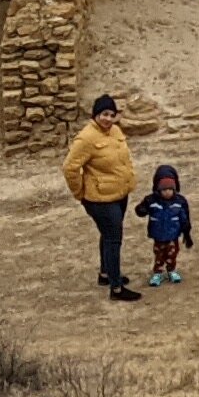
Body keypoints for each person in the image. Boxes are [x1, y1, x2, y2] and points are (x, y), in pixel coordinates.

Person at [63, 94, 140, 303]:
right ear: (96, 114)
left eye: (111, 114)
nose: (107, 118)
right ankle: (116, 288)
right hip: (100, 199)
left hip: (118, 194)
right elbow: (70, 167)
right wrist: (79, 193)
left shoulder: (115, 131)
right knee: (113, 239)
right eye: (104, 114)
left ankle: (106, 274)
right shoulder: (86, 138)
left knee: (108, 235)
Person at [140, 162, 193, 286]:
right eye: (164, 190)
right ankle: (157, 272)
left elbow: (185, 218)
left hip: (172, 235)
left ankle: (171, 270)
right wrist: (142, 209)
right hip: (158, 235)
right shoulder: (151, 201)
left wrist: (187, 233)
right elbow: (140, 211)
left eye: (170, 189)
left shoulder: (179, 202)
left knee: (172, 253)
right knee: (159, 254)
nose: (167, 192)